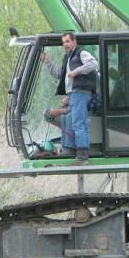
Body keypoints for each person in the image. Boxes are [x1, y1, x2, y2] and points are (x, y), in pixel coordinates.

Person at [41, 32, 98, 165]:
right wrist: (47, 62)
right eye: (63, 42)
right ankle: (75, 151)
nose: (65, 44)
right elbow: (59, 74)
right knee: (74, 121)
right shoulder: (68, 58)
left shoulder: (80, 53)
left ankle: (82, 157)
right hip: (74, 93)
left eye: (67, 41)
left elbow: (93, 64)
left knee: (78, 123)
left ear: (74, 41)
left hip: (80, 92)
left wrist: (75, 72)